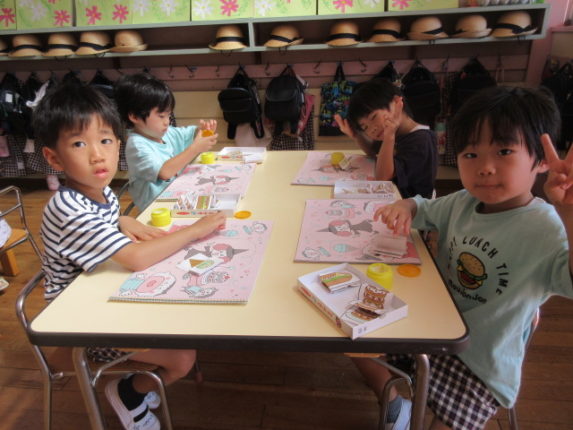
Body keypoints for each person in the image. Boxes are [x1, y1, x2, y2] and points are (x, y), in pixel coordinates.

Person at [358, 85, 573, 430]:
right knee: (352, 343)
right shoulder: (462, 201)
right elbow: (424, 207)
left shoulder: (545, 228)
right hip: (431, 328)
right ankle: (396, 405)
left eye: (504, 151)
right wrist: (406, 206)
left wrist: (570, 214)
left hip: (480, 362)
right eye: (470, 154)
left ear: (543, 160)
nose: (484, 168)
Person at [34, 82, 226, 430]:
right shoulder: (66, 206)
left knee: (181, 313)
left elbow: (105, 223)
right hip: (79, 323)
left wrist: (122, 220)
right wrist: (195, 230)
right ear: (54, 158)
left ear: (118, 144)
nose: (97, 155)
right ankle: (128, 393)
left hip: (100, 294)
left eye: (105, 140)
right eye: (79, 144)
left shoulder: (99, 191)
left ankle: (137, 385)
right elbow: (136, 258)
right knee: (183, 357)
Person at [114, 72, 218, 210]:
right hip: (156, 209)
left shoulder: (165, 132)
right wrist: (195, 148)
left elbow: (190, 133)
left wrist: (202, 131)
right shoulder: (136, 145)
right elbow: (164, 172)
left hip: (178, 197)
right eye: (161, 116)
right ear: (135, 117)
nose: (167, 122)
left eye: (168, 115)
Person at [334, 78, 438, 199]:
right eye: (365, 127)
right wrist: (356, 136)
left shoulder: (421, 140)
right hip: (395, 199)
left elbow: (383, 177)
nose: (372, 129)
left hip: (415, 207)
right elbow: (373, 152)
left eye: (373, 117)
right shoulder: (394, 132)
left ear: (396, 102)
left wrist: (389, 137)